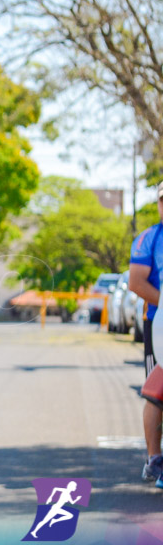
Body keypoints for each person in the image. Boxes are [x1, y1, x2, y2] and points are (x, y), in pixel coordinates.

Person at [130, 181, 163, 485]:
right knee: (157, 394)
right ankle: (155, 460)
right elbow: (136, 282)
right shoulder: (149, 239)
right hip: (160, 325)